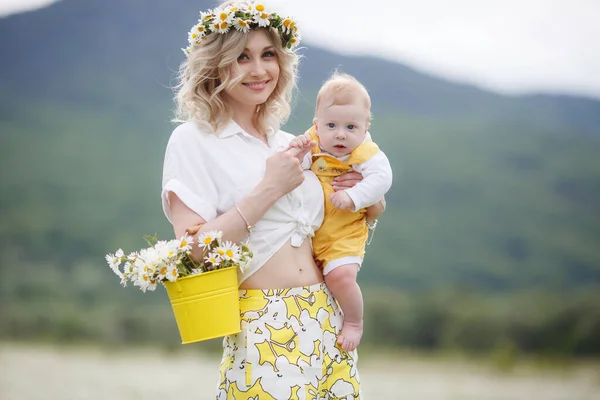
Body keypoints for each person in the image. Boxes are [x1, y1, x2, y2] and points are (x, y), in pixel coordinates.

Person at [161, 1, 384, 398]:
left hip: (327, 315)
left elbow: (332, 225)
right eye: (242, 57)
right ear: (216, 64)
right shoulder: (193, 140)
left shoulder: (293, 143)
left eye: (268, 55)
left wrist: (370, 204)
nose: (259, 69)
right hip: (263, 320)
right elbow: (192, 251)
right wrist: (269, 188)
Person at [289, 73, 393, 352]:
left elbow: (382, 179)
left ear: (365, 128)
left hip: (344, 232)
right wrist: (297, 154)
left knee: (341, 278)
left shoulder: (365, 153)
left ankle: (354, 321)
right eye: (331, 125)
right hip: (312, 235)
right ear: (317, 125)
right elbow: (295, 168)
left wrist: (354, 195)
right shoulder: (312, 142)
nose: (340, 134)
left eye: (350, 127)